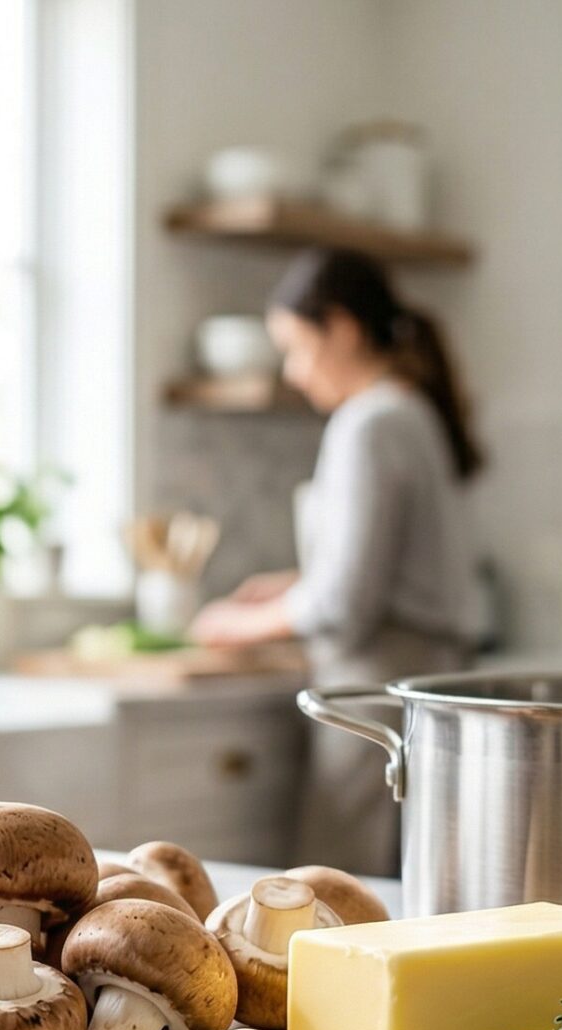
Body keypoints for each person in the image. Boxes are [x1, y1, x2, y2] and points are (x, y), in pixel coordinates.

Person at [188, 246, 487, 876]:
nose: (294, 373)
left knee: (339, 886)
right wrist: (290, 586)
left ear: (343, 329)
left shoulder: (368, 422)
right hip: (423, 675)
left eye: (297, 347)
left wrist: (234, 624)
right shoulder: (409, 411)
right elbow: (383, 566)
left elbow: (345, 603)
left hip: (374, 683)